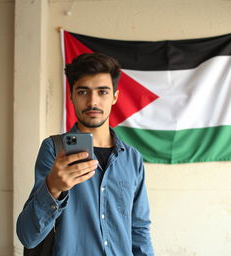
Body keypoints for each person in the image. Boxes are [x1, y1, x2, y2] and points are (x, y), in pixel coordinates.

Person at [17, 52, 154, 256]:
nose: (92, 102)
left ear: (115, 97)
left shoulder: (132, 158)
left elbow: (139, 230)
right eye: (83, 92)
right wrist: (53, 188)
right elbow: (28, 236)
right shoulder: (54, 149)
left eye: (102, 92)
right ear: (71, 95)